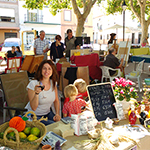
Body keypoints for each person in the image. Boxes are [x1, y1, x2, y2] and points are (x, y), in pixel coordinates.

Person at [25, 60, 61, 125]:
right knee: (53, 126)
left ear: (52, 71)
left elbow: (56, 101)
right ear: (40, 70)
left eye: (49, 69)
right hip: (33, 116)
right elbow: (34, 107)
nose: (47, 71)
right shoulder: (33, 84)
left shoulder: (53, 83)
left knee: (60, 124)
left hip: (47, 114)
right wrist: (36, 93)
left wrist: (57, 114)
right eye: (44, 68)